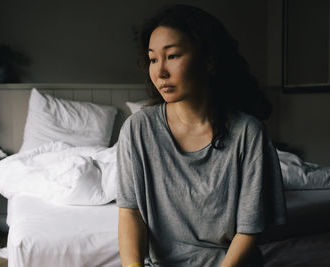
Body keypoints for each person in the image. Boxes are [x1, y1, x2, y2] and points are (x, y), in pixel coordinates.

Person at [117, 4, 287, 267]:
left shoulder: (248, 133)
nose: (160, 72)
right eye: (153, 59)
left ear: (209, 59)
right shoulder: (138, 129)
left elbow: (249, 229)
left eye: (172, 56)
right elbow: (130, 212)